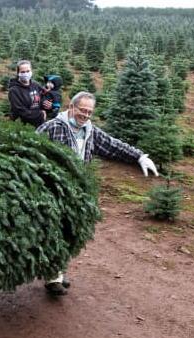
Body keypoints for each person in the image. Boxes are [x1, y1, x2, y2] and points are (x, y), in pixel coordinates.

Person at [36, 91, 158, 296]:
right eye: (82, 110)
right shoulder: (53, 127)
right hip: (51, 190)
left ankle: (55, 272)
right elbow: (30, 148)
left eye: (89, 112)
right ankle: (52, 275)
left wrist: (139, 156)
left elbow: (113, 145)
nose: (85, 115)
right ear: (71, 107)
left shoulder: (90, 131)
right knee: (53, 230)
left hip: (75, 191)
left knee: (68, 231)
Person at [8, 60, 53, 128]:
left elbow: (42, 98)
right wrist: (40, 114)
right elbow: (20, 110)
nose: (26, 74)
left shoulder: (35, 85)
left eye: (28, 71)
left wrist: (47, 106)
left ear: (31, 71)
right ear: (18, 73)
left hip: (39, 124)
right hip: (23, 126)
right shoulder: (14, 90)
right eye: (22, 72)